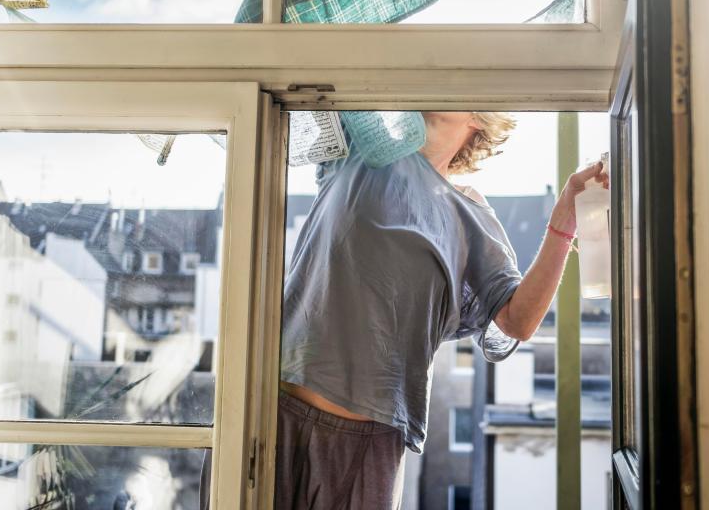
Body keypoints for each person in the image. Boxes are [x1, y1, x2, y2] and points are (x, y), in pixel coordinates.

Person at [201, 112, 608, 510]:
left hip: (366, 447)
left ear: (480, 119)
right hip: (272, 415)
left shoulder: (468, 211)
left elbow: (517, 321)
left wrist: (565, 217)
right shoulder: (361, 147)